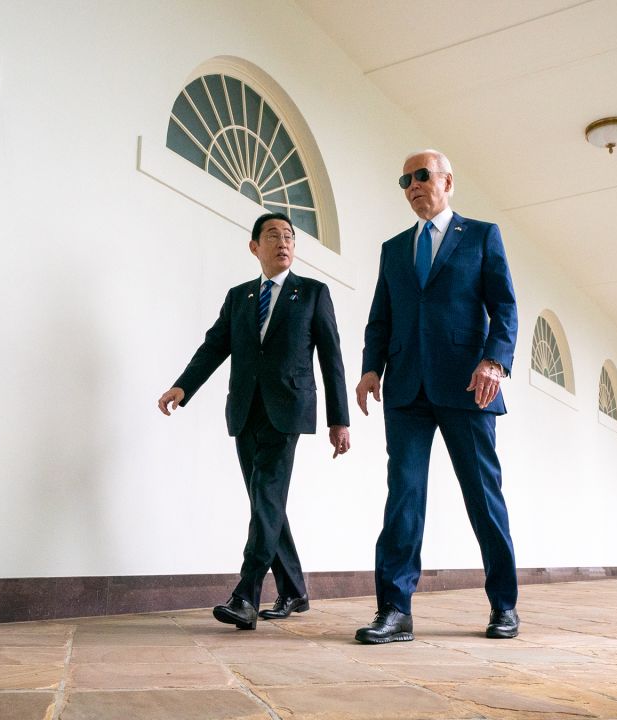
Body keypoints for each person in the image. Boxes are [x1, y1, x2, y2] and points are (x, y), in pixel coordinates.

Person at [354, 150, 519, 644]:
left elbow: (505, 306)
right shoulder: (393, 248)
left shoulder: (483, 235)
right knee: (403, 496)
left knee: (483, 498)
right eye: (405, 179)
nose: (412, 185)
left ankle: (504, 605)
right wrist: (369, 367)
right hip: (406, 388)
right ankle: (395, 610)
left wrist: (494, 361)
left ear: (447, 181)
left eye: (422, 176)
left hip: (468, 386)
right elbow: (380, 315)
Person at [158, 212, 351, 631]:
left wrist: (340, 420)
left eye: (289, 237)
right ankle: (295, 590)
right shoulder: (239, 297)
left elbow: (332, 359)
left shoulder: (313, 293)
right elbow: (214, 347)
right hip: (245, 409)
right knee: (267, 503)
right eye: (273, 236)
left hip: (289, 410)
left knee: (266, 498)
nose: (283, 243)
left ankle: (246, 595)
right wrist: (182, 387)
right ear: (254, 247)